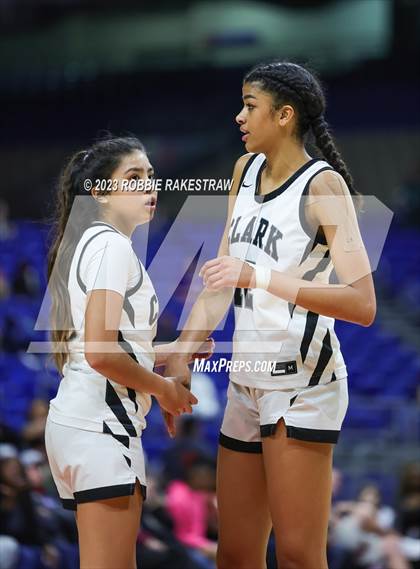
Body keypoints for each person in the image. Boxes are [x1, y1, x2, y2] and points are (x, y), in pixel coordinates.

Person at [163, 61, 376, 569]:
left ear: (284, 116)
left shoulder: (323, 188)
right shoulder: (244, 170)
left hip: (302, 384)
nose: (239, 116)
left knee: (300, 556)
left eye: (250, 106)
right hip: (246, 379)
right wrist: (183, 350)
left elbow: (362, 304)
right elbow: (219, 279)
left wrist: (257, 277)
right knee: (234, 555)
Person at [44, 136, 201, 569]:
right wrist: (165, 391)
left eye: (151, 176)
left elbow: (111, 346)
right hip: (100, 426)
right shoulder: (111, 246)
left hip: (85, 422)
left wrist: (173, 351)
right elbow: (100, 353)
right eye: (134, 177)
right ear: (100, 191)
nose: (149, 185)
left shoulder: (96, 243)